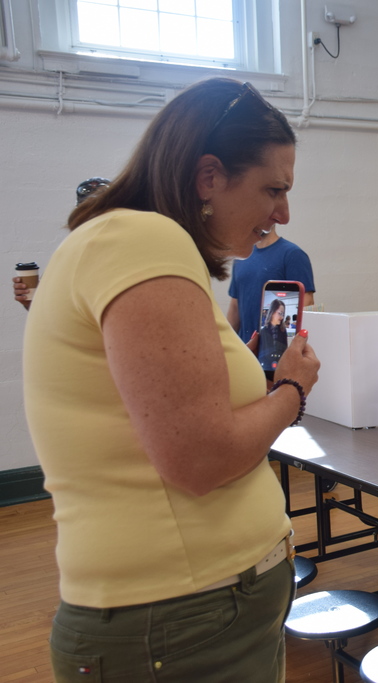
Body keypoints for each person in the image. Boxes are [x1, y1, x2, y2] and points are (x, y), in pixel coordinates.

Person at [23, 78, 320, 682]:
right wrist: (290, 390)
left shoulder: (125, 239)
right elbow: (201, 458)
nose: (283, 214)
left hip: (187, 612)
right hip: (181, 616)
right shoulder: (142, 237)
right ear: (209, 176)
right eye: (273, 188)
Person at [12, 177, 111, 310]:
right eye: (87, 210)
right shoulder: (69, 252)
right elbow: (48, 311)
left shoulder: (127, 250)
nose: (94, 216)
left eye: (101, 210)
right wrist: (32, 300)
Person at [226, 223, 315, 342]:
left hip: (277, 349)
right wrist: (225, 343)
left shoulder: (293, 255)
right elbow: (235, 306)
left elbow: (306, 304)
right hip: (245, 349)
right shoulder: (241, 257)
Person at [258, 298, 290, 374]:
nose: (282, 317)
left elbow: (284, 350)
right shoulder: (263, 331)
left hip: (280, 367)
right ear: (272, 312)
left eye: (283, 314)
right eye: (280, 313)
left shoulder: (283, 330)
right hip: (265, 368)